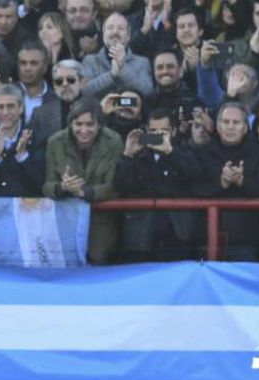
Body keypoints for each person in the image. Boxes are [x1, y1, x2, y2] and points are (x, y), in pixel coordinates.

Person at [115, 108, 204, 262]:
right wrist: (127, 156)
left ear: (174, 131)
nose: (157, 136)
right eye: (153, 131)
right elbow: (119, 187)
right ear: (146, 131)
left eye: (163, 131)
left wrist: (170, 152)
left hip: (177, 235)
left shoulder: (185, 151)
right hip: (141, 238)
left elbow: (195, 175)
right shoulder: (136, 154)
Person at [42, 97, 123, 264]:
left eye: (89, 124)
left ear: (99, 124)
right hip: (66, 221)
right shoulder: (55, 142)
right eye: (78, 124)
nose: (83, 130)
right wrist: (62, 187)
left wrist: (85, 192)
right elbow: (46, 186)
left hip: (101, 223)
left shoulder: (113, 141)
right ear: (71, 124)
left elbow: (114, 186)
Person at [196, 101, 259, 261]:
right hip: (205, 238)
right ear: (217, 126)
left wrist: (242, 182)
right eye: (225, 122)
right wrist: (221, 184)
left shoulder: (257, 153)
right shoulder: (201, 153)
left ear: (245, 128)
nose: (230, 126)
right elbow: (190, 190)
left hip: (248, 240)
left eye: (236, 122)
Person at [80, 13, 154, 99]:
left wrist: (122, 68)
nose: (115, 32)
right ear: (103, 34)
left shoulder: (142, 62)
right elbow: (85, 91)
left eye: (121, 28)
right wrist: (111, 75)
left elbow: (147, 91)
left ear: (128, 35)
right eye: (110, 28)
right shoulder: (90, 60)